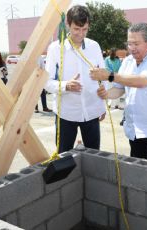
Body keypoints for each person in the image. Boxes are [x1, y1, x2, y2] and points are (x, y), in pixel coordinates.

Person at [90, 23, 147, 165]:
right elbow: (120, 88)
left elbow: (142, 81)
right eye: (129, 43)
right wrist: (106, 94)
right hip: (136, 131)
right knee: (139, 175)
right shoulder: (127, 62)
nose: (132, 48)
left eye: (136, 43)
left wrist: (110, 75)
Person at [44, 5, 106, 153]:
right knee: (63, 156)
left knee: (94, 156)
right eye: (76, 29)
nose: (80, 34)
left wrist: (102, 104)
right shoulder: (55, 48)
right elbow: (46, 82)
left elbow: (102, 77)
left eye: (85, 29)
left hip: (92, 112)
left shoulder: (94, 46)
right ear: (68, 25)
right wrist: (66, 86)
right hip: (65, 114)